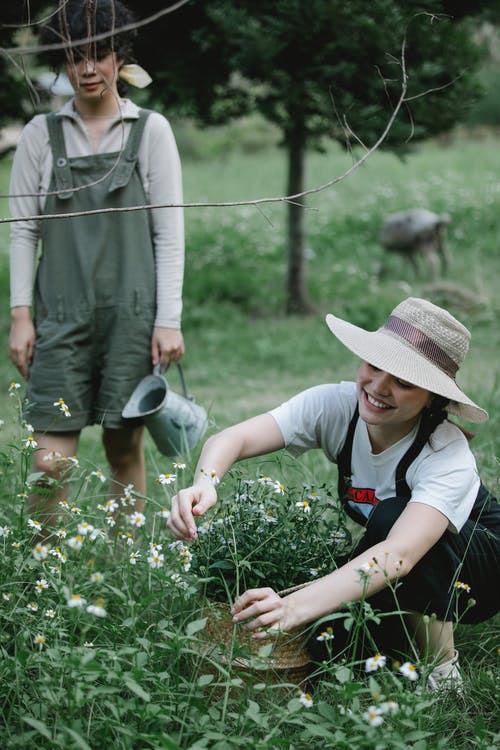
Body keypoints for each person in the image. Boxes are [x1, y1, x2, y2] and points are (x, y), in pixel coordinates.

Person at [168, 297, 500, 691]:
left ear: (433, 397)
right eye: (375, 366)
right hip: (393, 550)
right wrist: (205, 481)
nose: (378, 387)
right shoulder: (337, 407)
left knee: (392, 520)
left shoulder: (445, 454)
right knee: (335, 645)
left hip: (481, 565)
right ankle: (396, 640)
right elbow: (234, 438)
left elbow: (399, 555)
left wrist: (293, 606)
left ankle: (443, 670)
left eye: (403, 382)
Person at [8, 0, 184, 525]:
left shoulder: (150, 131)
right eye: (74, 56)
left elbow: (169, 233)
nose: (87, 68)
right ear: (63, 62)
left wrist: (167, 319)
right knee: (49, 462)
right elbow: (22, 230)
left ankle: (129, 566)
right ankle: (44, 574)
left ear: (119, 58)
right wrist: (21, 315)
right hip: (60, 317)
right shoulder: (41, 134)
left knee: (123, 451)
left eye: (99, 55)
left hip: (131, 318)